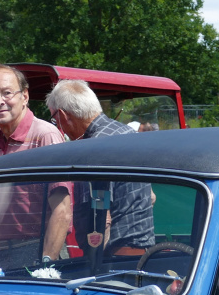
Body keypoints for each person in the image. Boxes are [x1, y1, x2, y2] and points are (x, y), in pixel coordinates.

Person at [46, 79, 155, 257]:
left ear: (64, 116)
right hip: (142, 249)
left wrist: (95, 264)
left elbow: (101, 214)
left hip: (114, 255)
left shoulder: (92, 149)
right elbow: (151, 197)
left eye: (54, 119)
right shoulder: (128, 133)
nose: (60, 128)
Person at [0, 64, 71, 267]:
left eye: (7, 93)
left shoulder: (45, 136)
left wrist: (45, 266)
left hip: (35, 250)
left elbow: (62, 209)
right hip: (1, 253)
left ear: (25, 97)